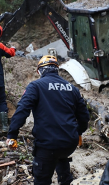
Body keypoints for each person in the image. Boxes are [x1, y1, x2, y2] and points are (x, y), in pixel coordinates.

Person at [6, 55, 90, 185]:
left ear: (40, 71)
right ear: (56, 69)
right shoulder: (71, 88)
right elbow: (84, 116)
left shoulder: (36, 86)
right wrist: (79, 132)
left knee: (42, 179)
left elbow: (22, 110)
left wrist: (12, 134)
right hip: (69, 142)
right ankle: (65, 179)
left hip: (48, 145)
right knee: (61, 158)